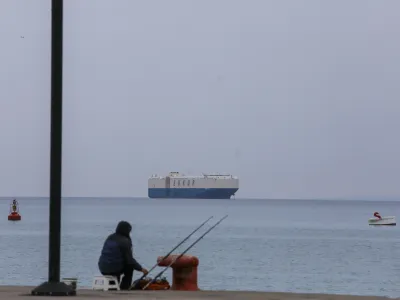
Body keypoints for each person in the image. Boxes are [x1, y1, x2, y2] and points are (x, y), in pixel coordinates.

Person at [98, 221, 148, 290]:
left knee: (117, 264)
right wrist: (141, 269)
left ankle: (113, 286)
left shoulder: (110, 237)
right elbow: (130, 260)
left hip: (102, 267)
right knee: (129, 267)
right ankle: (124, 287)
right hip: (114, 269)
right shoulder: (125, 241)